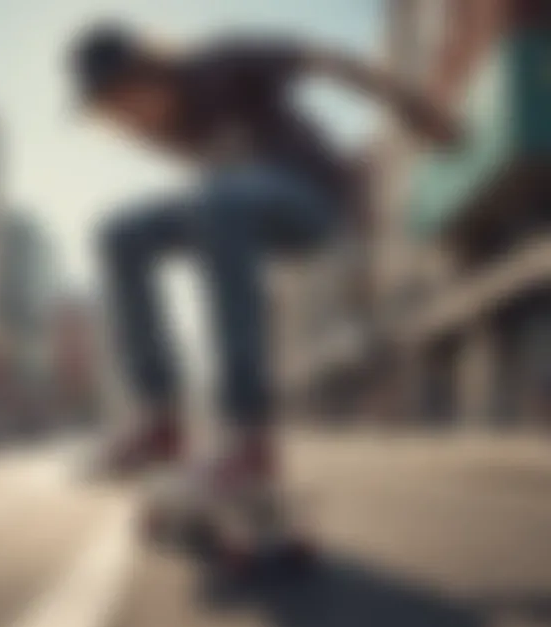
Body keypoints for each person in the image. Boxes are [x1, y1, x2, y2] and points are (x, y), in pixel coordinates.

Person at [66, 23, 460, 504]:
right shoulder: (162, 131)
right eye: (116, 116)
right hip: (237, 209)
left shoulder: (220, 65)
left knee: (218, 199)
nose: (132, 123)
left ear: (152, 72)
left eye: (129, 102)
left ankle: (246, 435)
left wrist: (418, 110)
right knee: (121, 234)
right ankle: (159, 419)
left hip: (315, 200)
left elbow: (329, 59)